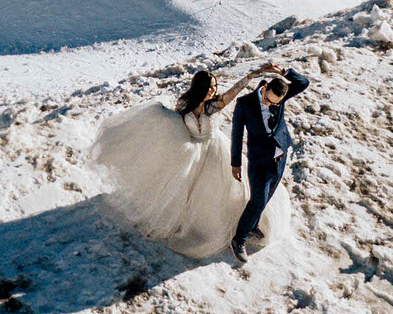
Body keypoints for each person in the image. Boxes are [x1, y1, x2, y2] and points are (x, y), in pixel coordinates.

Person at [91, 63, 287, 259]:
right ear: (200, 87)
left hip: (214, 151)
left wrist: (251, 76)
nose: (214, 90)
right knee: (185, 192)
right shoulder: (185, 107)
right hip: (192, 153)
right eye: (210, 86)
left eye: (215, 86)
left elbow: (233, 92)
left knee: (216, 193)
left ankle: (242, 227)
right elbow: (174, 125)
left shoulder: (214, 105)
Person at [229, 69, 311, 265]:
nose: (271, 105)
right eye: (268, 100)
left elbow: (303, 83)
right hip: (258, 162)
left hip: (279, 157)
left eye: (275, 103)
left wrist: (284, 72)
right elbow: (237, 135)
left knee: (267, 196)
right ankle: (238, 240)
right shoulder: (244, 104)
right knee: (257, 201)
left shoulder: (279, 95)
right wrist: (235, 163)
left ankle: (252, 226)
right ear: (264, 89)